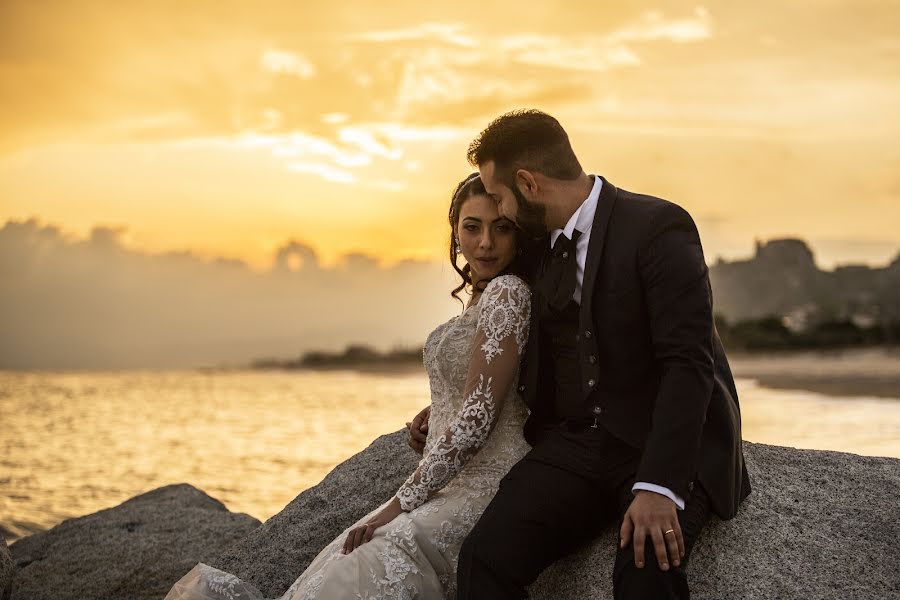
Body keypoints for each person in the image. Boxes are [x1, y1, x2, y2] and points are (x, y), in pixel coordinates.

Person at [164, 172, 539, 600]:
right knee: (346, 556)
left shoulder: (508, 292)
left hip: (483, 487)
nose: (485, 242)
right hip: (448, 481)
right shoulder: (482, 296)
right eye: (472, 227)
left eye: (501, 228)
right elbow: (481, 386)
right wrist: (436, 416)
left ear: (517, 234)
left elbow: (478, 416)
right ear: (455, 230)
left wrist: (399, 503)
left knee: (369, 554)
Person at [452, 109, 751, 600]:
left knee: (644, 569)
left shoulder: (657, 227)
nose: (499, 212)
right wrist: (462, 398)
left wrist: (659, 485)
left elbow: (688, 362)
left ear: (527, 183)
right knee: (482, 559)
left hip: (663, 439)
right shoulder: (535, 245)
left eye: (500, 196)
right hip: (578, 445)